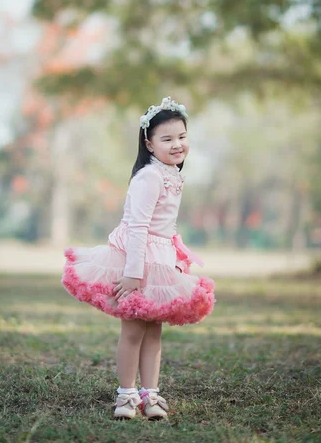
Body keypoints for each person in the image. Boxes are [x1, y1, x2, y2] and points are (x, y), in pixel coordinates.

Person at [62, 96, 215, 420]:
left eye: (182, 137)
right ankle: (126, 395)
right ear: (149, 143)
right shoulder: (149, 176)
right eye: (167, 139)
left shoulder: (172, 173)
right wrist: (132, 274)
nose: (177, 145)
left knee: (154, 330)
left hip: (158, 259)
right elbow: (137, 227)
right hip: (134, 257)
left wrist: (173, 260)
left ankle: (151, 394)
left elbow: (164, 226)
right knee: (133, 331)